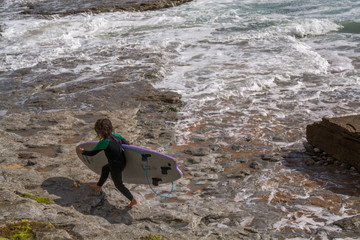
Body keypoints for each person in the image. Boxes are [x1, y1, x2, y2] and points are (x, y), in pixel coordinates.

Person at [77, 118, 138, 208]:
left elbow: (92, 153)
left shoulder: (104, 142)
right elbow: (128, 146)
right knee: (105, 168)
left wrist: (82, 152)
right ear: (110, 127)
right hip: (122, 161)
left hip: (115, 166)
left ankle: (133, 200)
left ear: (98, 131)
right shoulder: (118, 136)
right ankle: (99, 186)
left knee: (118, 184)